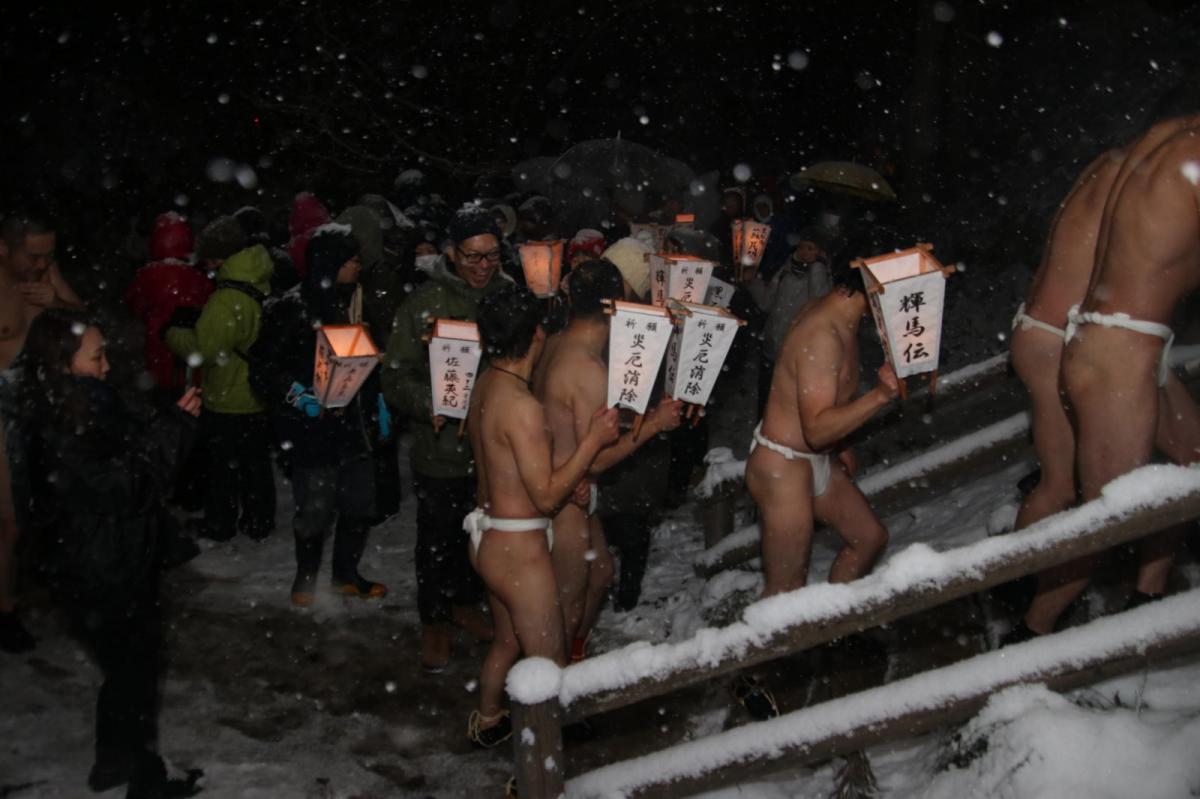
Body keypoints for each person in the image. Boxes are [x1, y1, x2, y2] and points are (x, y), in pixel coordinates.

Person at [1013, 120, 1200, 641]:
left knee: (1190, 458)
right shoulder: (1179, 160)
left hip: (1106, 336)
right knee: (1101, 513)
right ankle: (1028, 625)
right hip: (1099, 346)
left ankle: (1147, 591)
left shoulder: (1149, 147)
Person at [6, 309, 202, 797]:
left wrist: (164, 420)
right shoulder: (61, 421)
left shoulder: (74, 404)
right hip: (102, 567)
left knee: (125, 671)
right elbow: (126, 486)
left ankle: (112, 762)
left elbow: (125, 455)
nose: (108, 365)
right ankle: (144, 779)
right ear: (62, 362)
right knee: (135, 674)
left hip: (100, 561)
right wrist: (176, 429)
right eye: (97, 356)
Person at [464, 284, 620, 747]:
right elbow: (547, 497)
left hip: (488, 536)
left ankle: (487, 721)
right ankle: (538, 767)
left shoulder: (486, 385)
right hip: (518, 552)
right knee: (548, 668)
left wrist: (569, 478)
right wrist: (592, 442)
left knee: (507, 641)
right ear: (536, 335)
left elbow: (518, 472)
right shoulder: (523, 407)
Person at [382, 205, 512, 671]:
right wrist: (430, 402)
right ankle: (434, 620)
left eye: (491, 255)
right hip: (439, 450)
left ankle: (465, 603)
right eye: (473, 256)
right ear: (452, 253)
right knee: (437, 538)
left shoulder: (507, 295)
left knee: (481, 535)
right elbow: (395, 375)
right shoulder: (424, 303)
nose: (483, 266)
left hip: (492, 446)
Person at [534, 259, 682, 657]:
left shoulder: (555, 342)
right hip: (565, 496)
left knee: (600, 574)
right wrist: (655, 424)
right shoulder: (586, 368)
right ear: (613, 303)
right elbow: (596, 460)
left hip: (566, 482)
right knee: (567, 604)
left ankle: (572, 656)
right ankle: (556, 679)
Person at [251, 225, 388, 605]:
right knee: (314, 509)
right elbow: (263, 368)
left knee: (359, 504)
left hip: (353, 428)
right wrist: (298, 395)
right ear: (331, 264)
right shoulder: (291, 308)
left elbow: (368, 358)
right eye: (351, 261)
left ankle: (345, 575)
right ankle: (306, 579)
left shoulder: (353, 304)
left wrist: (378, 403)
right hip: (310, 432)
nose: (357, 267)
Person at [746, 280, 897, 598]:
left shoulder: (841, 315)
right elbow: (815, 429)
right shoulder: (822, 335)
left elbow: (821, 395)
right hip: (782, 466)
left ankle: (834, 620)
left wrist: (841, 443)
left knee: (869, 538)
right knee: (786, 591)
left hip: (817, 458)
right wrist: (880, 396)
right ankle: (782, 632)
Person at [0, 211, 83, 652]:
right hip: (3, 407)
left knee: (46, 509)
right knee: (9, 520)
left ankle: (34, 585)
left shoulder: (45, 273)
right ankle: (5, 610)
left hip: (41, 407)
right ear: (3, 248)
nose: (41, 263)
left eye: (48, 254)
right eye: (33, 255)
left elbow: (85, 327)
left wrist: (56, 301)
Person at [165, 244, 276, 542]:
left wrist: (175, 335)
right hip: (256, 392)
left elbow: (206, 351)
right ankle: (259, 520)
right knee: (256, 464)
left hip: (227, 395)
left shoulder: (226, 299)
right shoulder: (261, 284)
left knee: (222, 468)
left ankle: (219, 523)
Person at [748, 226, 834, 419]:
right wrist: (752, 282)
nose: (804, 252)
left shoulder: (822, 278)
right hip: (771, 349)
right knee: (764, 405)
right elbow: (766, 303)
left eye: (811, 248)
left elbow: (819, 303)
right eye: (802, 247)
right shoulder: (786, 270)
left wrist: (818, 266)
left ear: (821, 253)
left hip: (796, 357)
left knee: (785, 411)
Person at [124, 212, 213, 397]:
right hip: (189, 358)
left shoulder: (147, 276)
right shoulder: (198, 277)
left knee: (162, 395)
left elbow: (133, 305)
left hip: (157, 352)